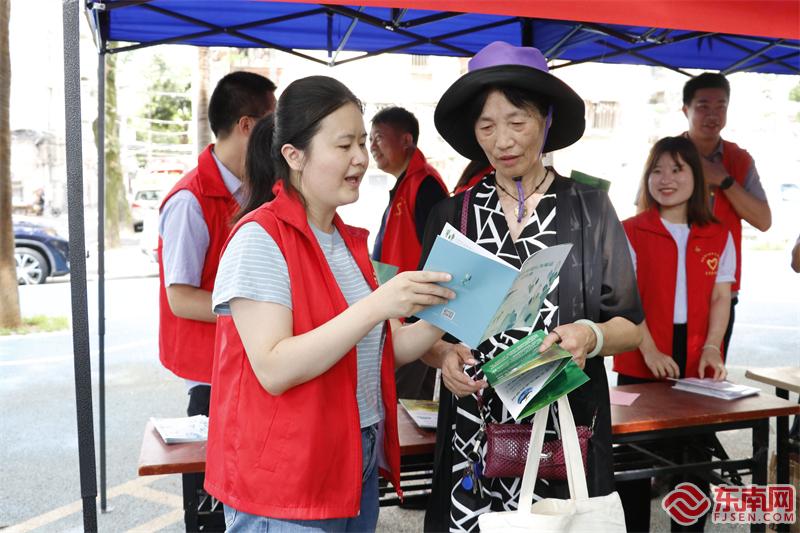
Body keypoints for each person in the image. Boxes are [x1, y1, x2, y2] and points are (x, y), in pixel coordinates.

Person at [203, 75, 457, 532]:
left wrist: (457, 305)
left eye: (362, 142)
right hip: (287, 477)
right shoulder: (259, 239)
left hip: (355, 454)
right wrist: (378, 306)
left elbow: (386, 350)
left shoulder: (346, 241)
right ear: (294, 156)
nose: (361, 157)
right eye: (344, 145)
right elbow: (275, 367)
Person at [418, 41, 644, 532]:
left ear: (546, 120)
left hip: (565, 437)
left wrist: (590, 335)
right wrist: (443, 356)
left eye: (517, 122)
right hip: (473, 439)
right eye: (486, 126)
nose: (503, 140)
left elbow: (631, 327)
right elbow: (425, 332)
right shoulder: (452, 215)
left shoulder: (589, 210)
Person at [615, 136, 733, 532]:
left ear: (695, 176)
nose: (665, 179)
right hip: (639, 356)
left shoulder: (718, 234)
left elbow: (721, 297)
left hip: (697, 360)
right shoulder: (630, 230)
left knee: (694, 462)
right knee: (633, 465)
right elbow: (626, 298)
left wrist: (713, 347)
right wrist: (648, 350)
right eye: (657, 170)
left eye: (677, 169)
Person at [158, 71, 276, 417]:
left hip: (251, 360)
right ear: (247, 126)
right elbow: (181, 299)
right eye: (273, 123)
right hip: (210, 373)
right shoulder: (189, 201)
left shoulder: (258, 186)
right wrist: (261, 312)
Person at [678, 73, 771, 358]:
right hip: (670, 285)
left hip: (720, 288)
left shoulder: (739, 159)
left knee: (709, 371)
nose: (713, 114)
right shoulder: (667, 154)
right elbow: (644, 214)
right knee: (659, 377)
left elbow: (763, 221)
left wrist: (724, 180)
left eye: (721, 106)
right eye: (703, 106)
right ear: (686, 110)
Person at [369, 106, 449, 401]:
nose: (371, 147)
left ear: (406, 140)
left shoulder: (425, 184)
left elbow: (439, 252)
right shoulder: (404, 184)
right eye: (369, 140)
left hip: (414, 315)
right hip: (398, 310)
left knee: (402, 399)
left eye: (378, 137)